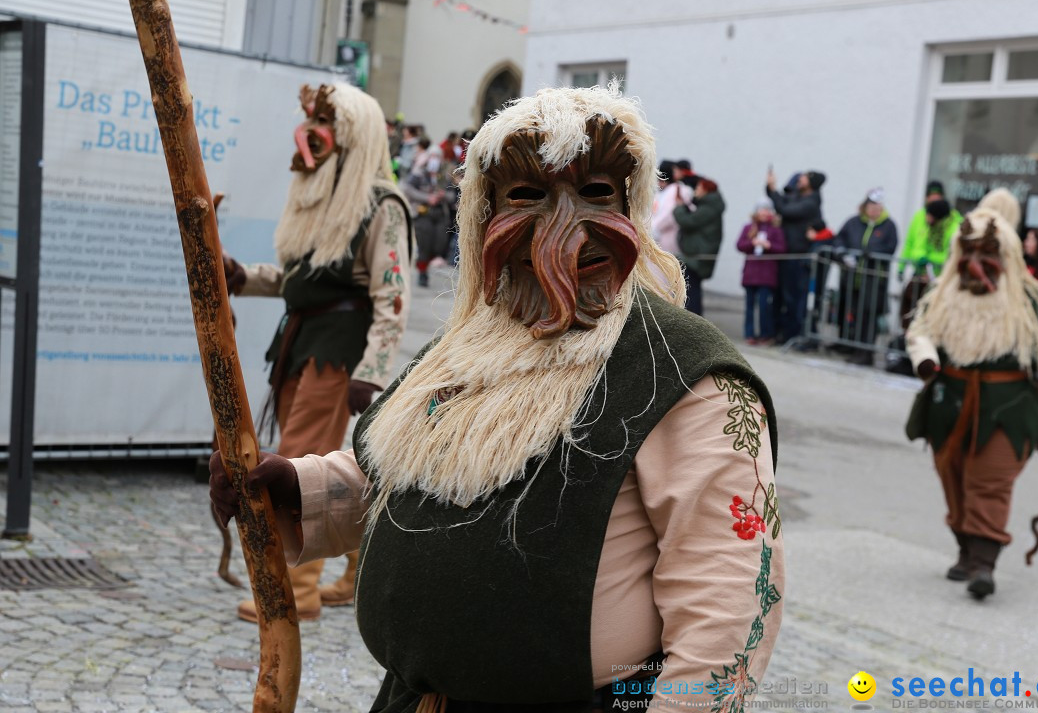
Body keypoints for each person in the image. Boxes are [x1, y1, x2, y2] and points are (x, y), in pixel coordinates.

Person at [210, 85, 783, 713]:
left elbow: (725, 609)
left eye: (595, 193)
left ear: (633, 206)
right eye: (527, 195)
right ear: (484, 215)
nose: (563, 228)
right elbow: (400, 482)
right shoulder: (469, 343)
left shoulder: (681, 371)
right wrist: (295, 487)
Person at [220, 83, 412, 622]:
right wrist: (245, 277)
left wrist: (371, 371)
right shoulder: (325, 200)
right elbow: (301, 280)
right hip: (299, 344)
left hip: (337, 352)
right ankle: (355, 572)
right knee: (315, 455)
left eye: (324, 122)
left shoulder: (382, 204)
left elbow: (391, 294)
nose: (310, 135)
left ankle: (296, 593)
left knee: (300, 461)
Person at [905, 188, 1038, 599]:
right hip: (951, 397)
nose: (978, 266)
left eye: (989, 255)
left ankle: (984, 561)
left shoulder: (1029, 297)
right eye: (970, 254)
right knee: (954, 476)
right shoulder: (944, 296)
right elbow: (920, 332)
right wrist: (925, 359)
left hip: (1009, 403)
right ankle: (965, 549)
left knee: (990, 480)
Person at [833, 188, 898, 366]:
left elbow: (890, 248)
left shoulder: (888, 226)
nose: (874, 210)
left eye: (878, 206)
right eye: (871, 206)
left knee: (869, 316)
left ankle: (866, 352)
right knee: (854, 313)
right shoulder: (854, 222)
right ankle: (853, 348)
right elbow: (840, 239)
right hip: (853, 279)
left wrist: (871, 253)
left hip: (874, 281)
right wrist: (843, 254)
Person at [766, 169, 826, 346]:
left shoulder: (811, 202)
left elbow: (785, 209)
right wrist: (770, 188)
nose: (800, 179)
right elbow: (782, 202)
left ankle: (792, 335)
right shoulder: (798, 197)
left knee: (793, 298)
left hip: (797, 257)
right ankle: (779, 333)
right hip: (786, 254)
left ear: (812, 183)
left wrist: (774, 192)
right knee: (779, 297)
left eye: (805, 177)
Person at [673, 175, 725, 315]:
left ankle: (694, 322)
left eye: (698, 188)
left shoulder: (709, 208)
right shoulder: (708, 207)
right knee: (691, 290)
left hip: (697, 259)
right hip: (695, 257)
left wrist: (679, 208)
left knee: (692, 293)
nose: (695, 190)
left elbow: (688, 222)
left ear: (705, 190)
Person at [736, 199, 786, 344]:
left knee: (765, 306)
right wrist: (752, 243)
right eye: (762, 209)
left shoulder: (776, 230)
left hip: (767, 275)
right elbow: (740, 245)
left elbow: (782, 249)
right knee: (749, 306)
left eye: (767, 210)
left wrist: (769, 245)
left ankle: (765, 334)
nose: (764, 212)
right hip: (750, 274)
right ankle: (749, 334)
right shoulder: (749, 227)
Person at [401, 152, 452, 287]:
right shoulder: (418, 175)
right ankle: (422, 273)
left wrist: (444, 195)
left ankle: (428, 264)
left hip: (440, 215)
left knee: (439, 244)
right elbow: (407, 189)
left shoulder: (444, 177)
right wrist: (426, 198)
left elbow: (453, 195)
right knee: (424, 245)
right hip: (423, 214)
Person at [899, 181, 964, 279]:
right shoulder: (919, 217)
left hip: (942, 275)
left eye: (937, 195)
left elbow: (951, 252)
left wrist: (930, 260)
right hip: (921, 272)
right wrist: (902, 267)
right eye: (931, 195)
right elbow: (911, 243)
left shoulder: (953, 222)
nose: (934, 198)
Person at [651, 160, 695, 256]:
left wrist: (653, 229)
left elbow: (669, 214)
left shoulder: (677, 190)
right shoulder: (663, 192)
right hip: (659, 239)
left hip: (668, 239)